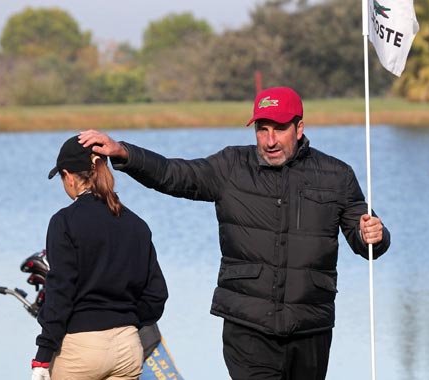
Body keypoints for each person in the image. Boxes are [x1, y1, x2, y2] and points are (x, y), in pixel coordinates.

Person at [79, 86, 391, 380]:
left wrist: (374, 235)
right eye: (262, 129)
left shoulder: (337, 175)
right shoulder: (230, 166)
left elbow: (364, 236)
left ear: (299, 128)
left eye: (279, 129)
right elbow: (174, 174)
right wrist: (124, 153)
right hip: (248, 327)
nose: (269, 140)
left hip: (311, 329)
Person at [32, 135, 168, 380]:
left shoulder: (64, 222)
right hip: (127, 349)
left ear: (69, 176)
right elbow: (157, 295)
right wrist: (126, 322)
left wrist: (42, 357)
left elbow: (59, 293)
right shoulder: (136, 224)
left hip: (81, 350)